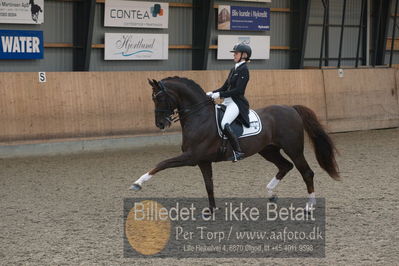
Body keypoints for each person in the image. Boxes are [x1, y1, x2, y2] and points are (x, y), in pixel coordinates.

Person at [207, 43, 251, 162]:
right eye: (234, 53)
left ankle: (238, 151)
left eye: (236, 53)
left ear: (244, 55)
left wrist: (220, 95)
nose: (234, 55)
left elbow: (238, 91)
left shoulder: (244, 70)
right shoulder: (234, 69)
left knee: (224, 123)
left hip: (236, 103)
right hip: (227, 101)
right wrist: (211, 93)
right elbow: (225, 87)